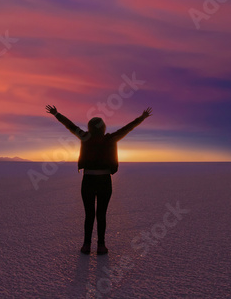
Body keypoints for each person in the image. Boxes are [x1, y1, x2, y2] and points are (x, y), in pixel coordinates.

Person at [45, 105, 152, 255]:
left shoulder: (85, 137)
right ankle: (101, 245)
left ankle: (87, 245)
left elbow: (70, 126)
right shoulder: (111, 138)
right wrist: (141, 118)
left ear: (90, 127)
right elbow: (128, 128)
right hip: (104, 180)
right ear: (103, 128)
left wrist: (57, 114)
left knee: (89, 214)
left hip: (88, 179)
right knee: (101, 214)